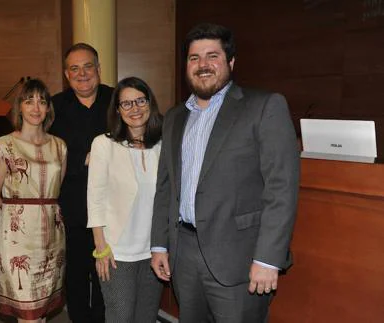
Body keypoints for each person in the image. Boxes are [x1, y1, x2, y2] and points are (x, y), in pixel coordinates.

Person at [150, 23, 300, 322]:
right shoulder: (175, 118)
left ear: (230, 62)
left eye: (212, 56)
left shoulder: (264, 107)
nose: (202, 65)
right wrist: (159, 244)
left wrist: (268, 258)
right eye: (194, 58)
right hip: (184, 255)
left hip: (240, 259)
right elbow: (165, 187)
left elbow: (281, 188)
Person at [87, 77, 164, 323]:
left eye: (140, 101)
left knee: (147, 317)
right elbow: (95, 198)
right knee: (120, 317)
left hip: (155, 251)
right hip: (116, 252)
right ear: (118, 111)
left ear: (150, 104)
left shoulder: (163, 145)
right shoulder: (104, 144)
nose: (135, 108)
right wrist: (101, 248)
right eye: (126, 104)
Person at [0, 78, 67, 323]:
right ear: (19, 107)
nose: (36, 107)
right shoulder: (4, 145)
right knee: (28, 314)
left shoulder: (59, 146)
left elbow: (57, 191)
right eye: (29, 101)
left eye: (42, 101)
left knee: (40, 311)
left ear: (48, 109)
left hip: (52, 236)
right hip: (17, 238)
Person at [49, 43, 114, 323]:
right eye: (74, 68)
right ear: (66, 74)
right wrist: (84, 159)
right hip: (71, 208)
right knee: (74, 280)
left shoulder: (118, 99)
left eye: (88, 66)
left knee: (107, 278)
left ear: (99, 69)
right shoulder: (53, 107)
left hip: (113, 211)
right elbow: (43, 152)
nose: (82, 73)